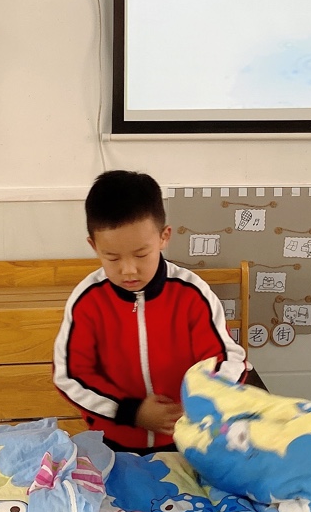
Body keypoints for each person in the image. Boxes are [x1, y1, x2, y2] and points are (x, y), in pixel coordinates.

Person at [53, 170, 247, 451]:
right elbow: (71, 375)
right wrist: (132, 411)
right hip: (114, 442)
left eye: (141, 254)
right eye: (112, 257)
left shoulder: (192, 294)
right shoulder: (87, 301)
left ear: (164, 237)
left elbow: (227, 359)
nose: (128, 270)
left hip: (187, 440)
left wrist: (203, 402)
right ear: (94, 246)